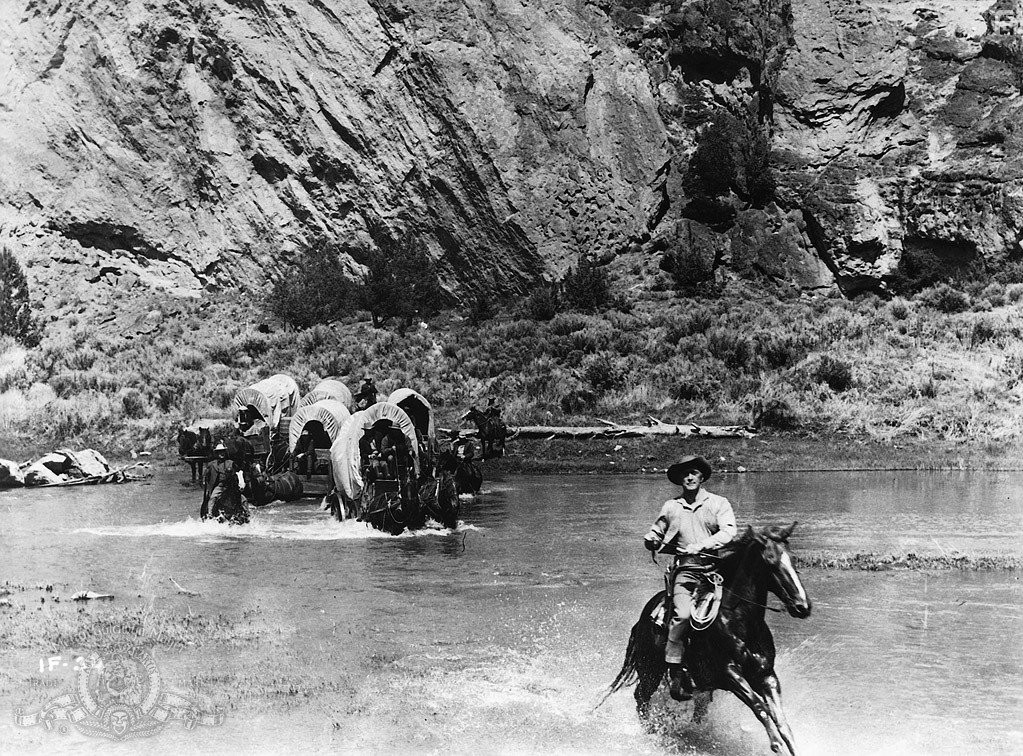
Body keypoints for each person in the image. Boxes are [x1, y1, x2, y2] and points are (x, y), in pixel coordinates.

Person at [644, 455, 736, 701]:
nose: (689, 477)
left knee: (737, 612)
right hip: (685, 571)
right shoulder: (671, 506)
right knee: (683, 615)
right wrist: (651, 539)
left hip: (715, 570)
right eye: (684, 474)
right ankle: (675, 668)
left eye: (693, 473)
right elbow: (657, 529)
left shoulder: (718, 503)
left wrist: (702, 545)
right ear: (680, 480)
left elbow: (729, 531)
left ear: (701, 476)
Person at [201, 442, 250, 525]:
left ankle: (247, 514)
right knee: (213, 498)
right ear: (217, 453)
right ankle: (210, 514)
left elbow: (238, 471)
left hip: (230, 486)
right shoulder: (212, 464)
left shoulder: (230, 463)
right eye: (219, 452)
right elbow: (206, 474)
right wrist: (205, 481)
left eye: (223, 452)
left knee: (243, 499)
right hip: (219, 486)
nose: (221, 454)